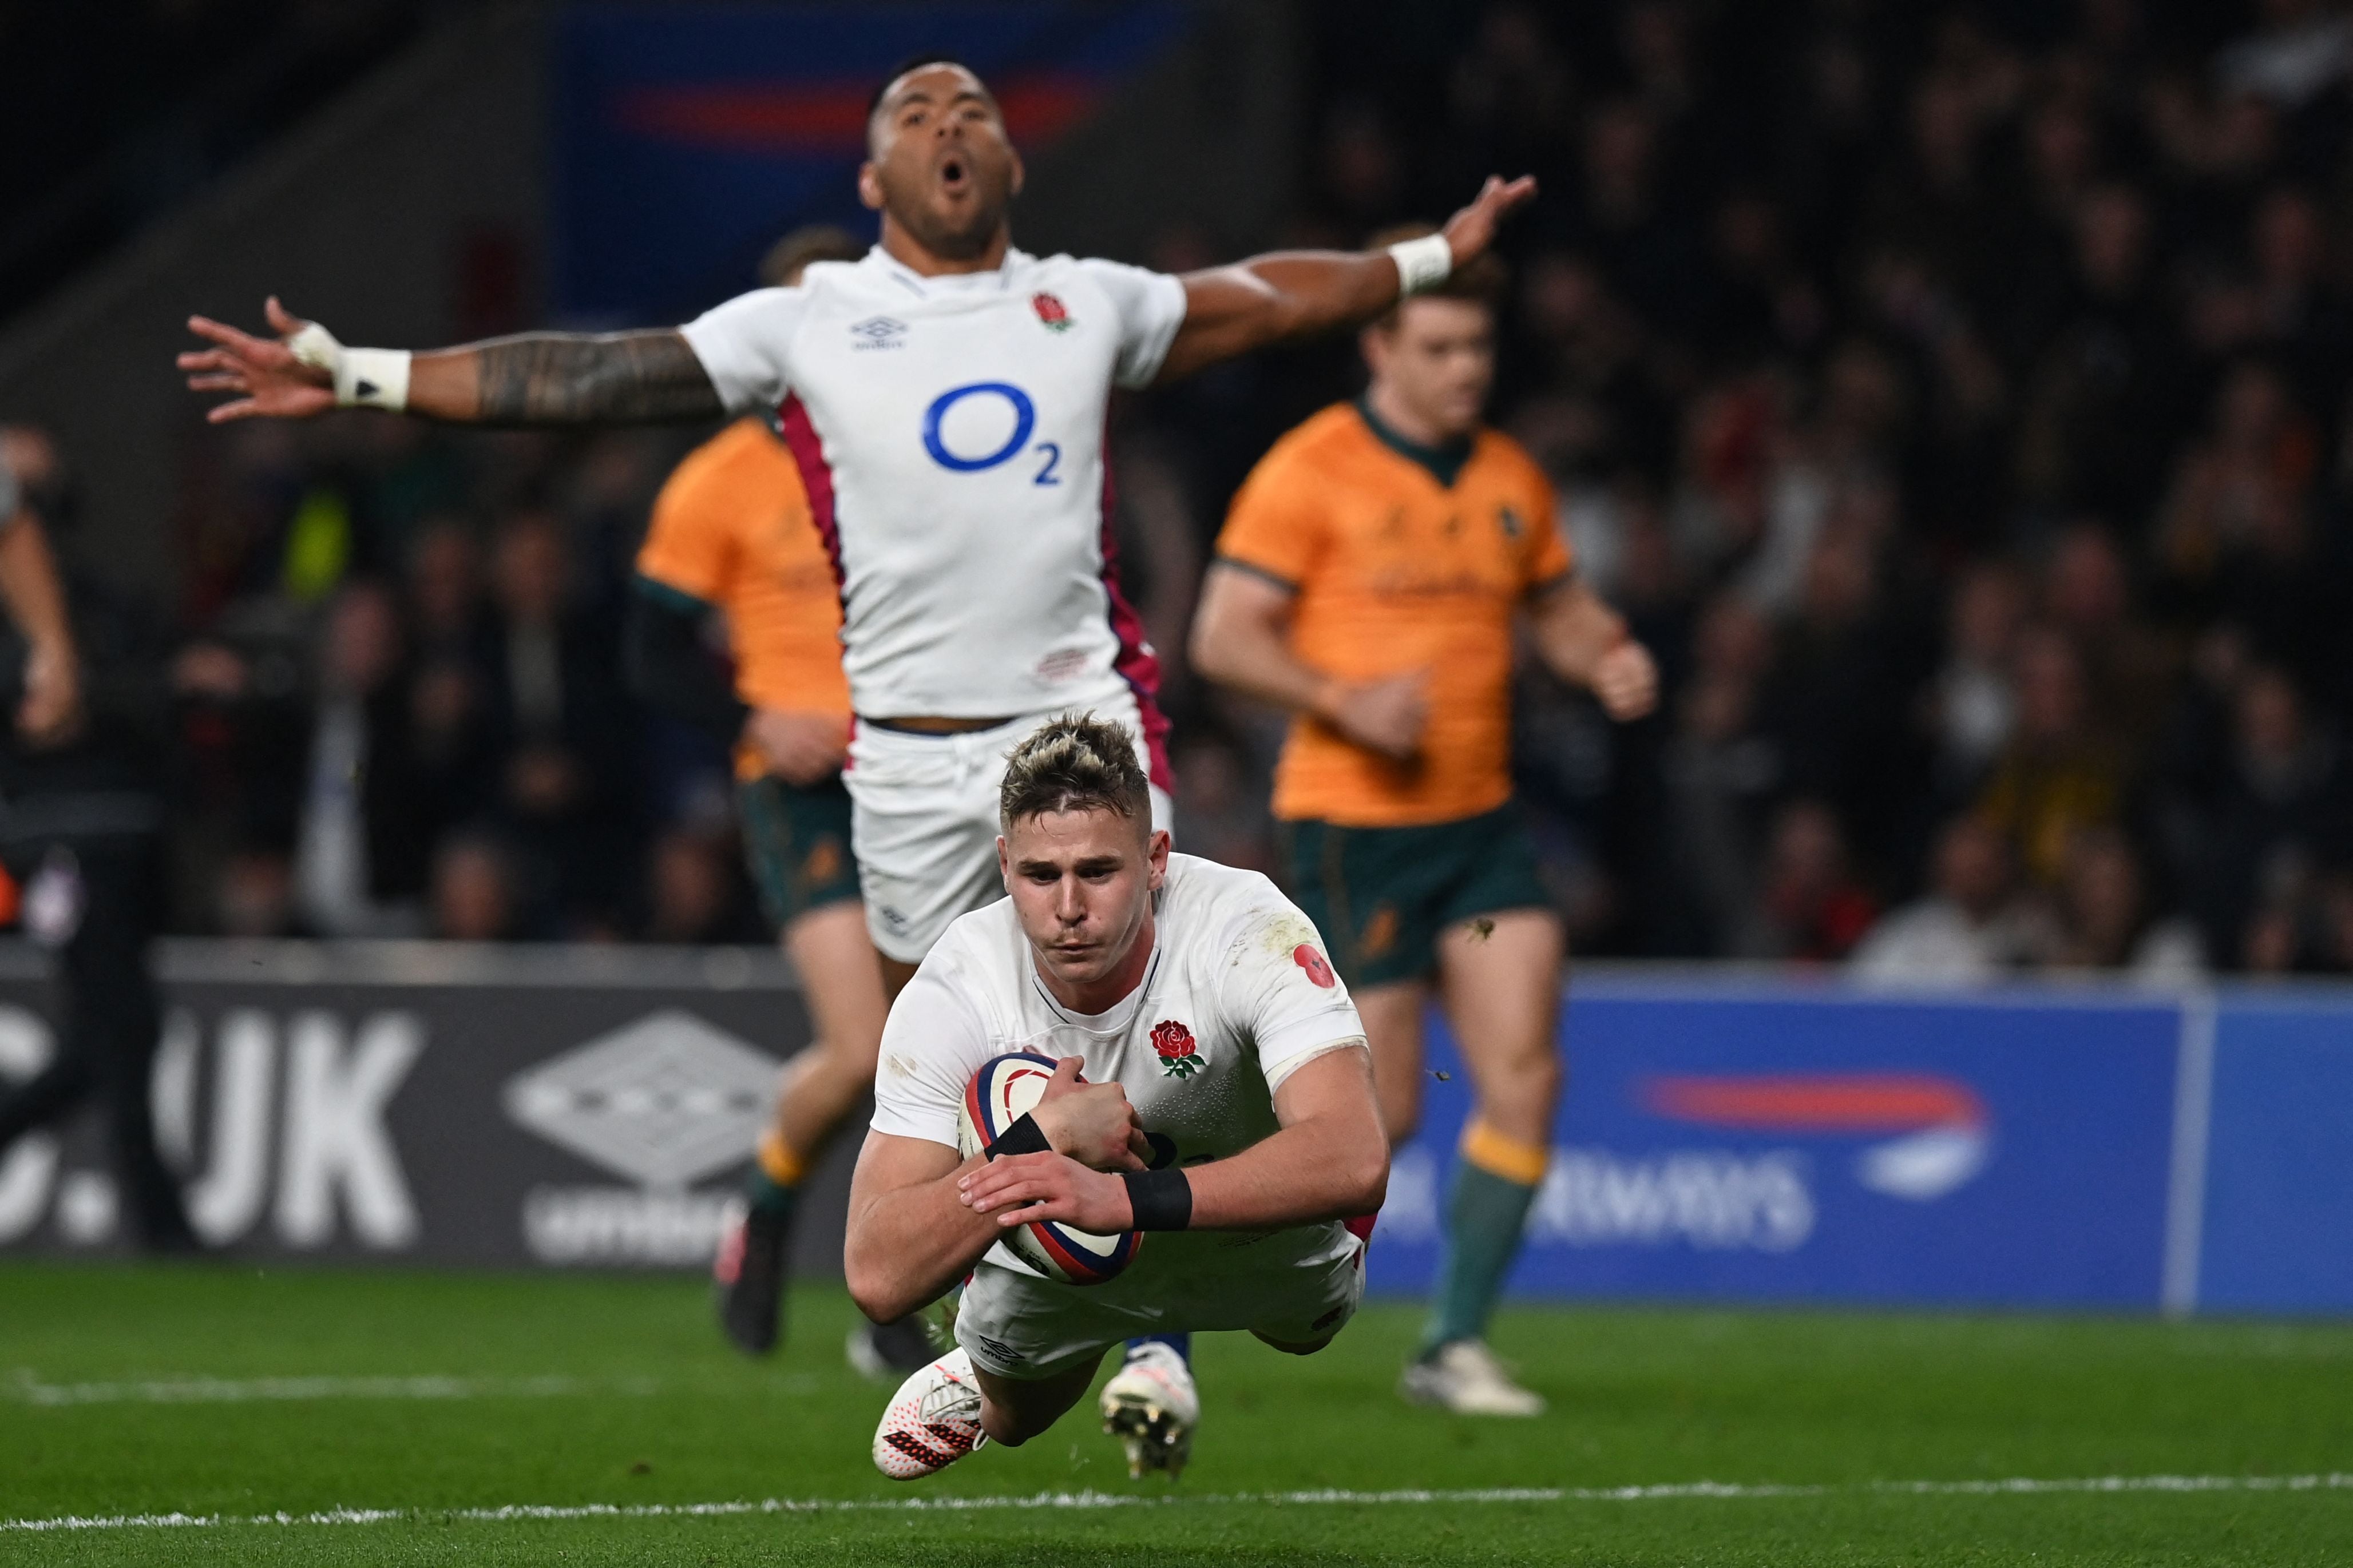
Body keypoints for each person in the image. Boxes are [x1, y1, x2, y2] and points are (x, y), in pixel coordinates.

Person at [178, 53, 1532, 1467]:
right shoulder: (812, 321)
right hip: (902, 764)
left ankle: (1158, 1342)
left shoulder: (1085, 300)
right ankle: (1007, 1327)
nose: (951, 126)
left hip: (1078, 726)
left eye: (976, 115)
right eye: (914, 118)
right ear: (874, 181)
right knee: (951, 1059)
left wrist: (1432, 255)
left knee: (1137, 1014)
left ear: (1011, 165)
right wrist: (360, 374)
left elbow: (1267, 298)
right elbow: (590, 374)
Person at [1189, 229, 1659, 1415]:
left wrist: (1600, 653)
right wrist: (1344, 700)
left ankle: (1451, 1340)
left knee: (1524, 1072)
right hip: (1353, 831)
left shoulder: (1506, 479)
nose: (1464, 370)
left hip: (1481, 828)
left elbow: (1555, 608)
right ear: (1379, 343)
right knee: (1381, 1113)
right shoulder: (1313, 470)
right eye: (1440, 347)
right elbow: (1222, 637)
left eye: (1479, 348)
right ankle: (1177, 1267)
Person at [846, 714, 1387, 1480]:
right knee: (1016, 1418)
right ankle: (1006, 1359)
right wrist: (1039, 1140)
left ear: (1157, 858)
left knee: (1305, 1330)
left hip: (1261, 1248)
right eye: (1040, 875)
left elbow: (1355, 1153)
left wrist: (1121, 1201)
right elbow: (876, 1274)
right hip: (1076, 1244)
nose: (1068, 907)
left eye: (1098, 871)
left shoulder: (1244, 925)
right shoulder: (960, 983)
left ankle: (1065, 1302)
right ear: (1004, 866)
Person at [626, 224, 926, 1374]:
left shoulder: (918, 457)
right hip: (802, 792)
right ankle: (765, 1206)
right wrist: (754, 716)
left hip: (918, 783)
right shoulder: (722, 478)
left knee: (924, 1057)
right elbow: (649, 655)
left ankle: (887, 1292)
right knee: (861, 1049)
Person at [0, 431, 194, 1252]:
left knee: (117, 1028)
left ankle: (160, 1219)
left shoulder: (89, 597)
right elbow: (46, 708)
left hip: (123, 832)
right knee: (119, 1022)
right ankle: (161, 1222)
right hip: (54, 839)